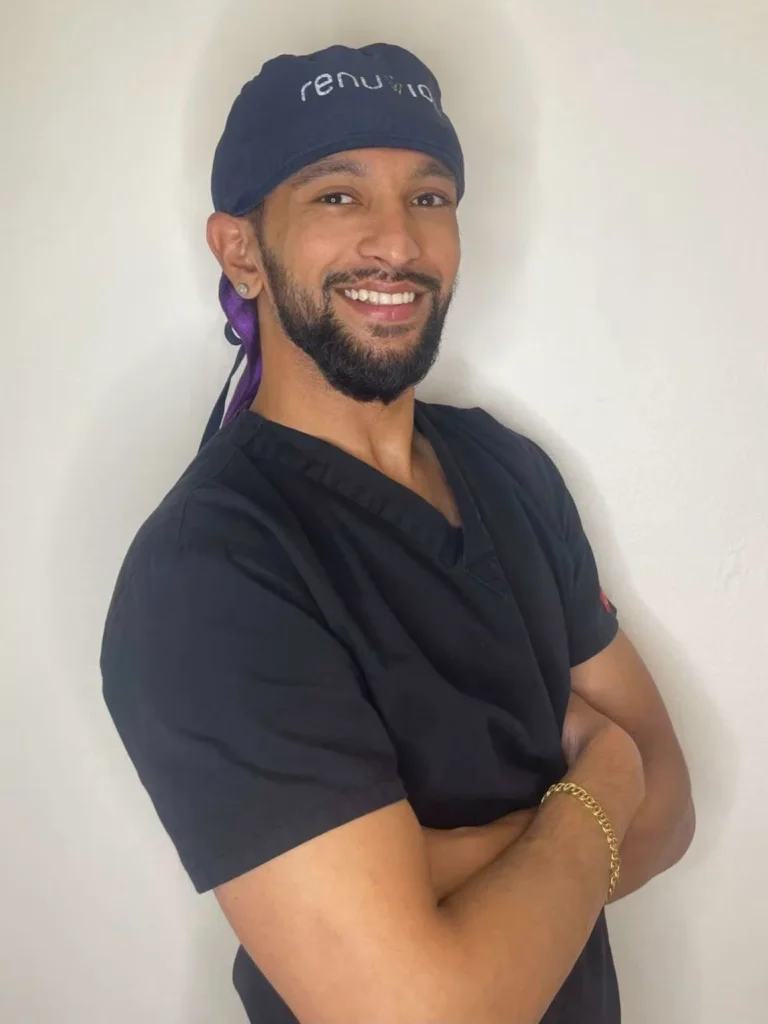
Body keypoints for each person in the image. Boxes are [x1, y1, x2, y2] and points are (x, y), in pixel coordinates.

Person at [101, 42, 695, 1024]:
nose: (398, 242)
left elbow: (671, 813)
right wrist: (607, 774)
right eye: (337, 196)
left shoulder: (510, 471)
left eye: (429, 196)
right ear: (241, 250)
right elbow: (422, 1011)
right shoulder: (209, 575)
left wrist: (437, 878)